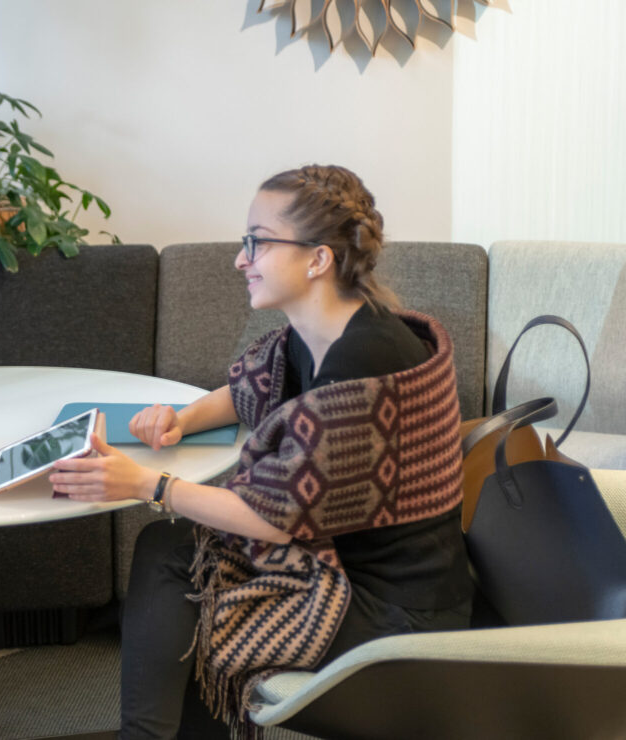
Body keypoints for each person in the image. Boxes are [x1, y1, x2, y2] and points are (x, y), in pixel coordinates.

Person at [49, 165, 474, 738]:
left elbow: (270, 521)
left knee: (185, 567)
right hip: (348, 571)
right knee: (174, 554)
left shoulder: (364, 361)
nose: (240, 259)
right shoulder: (325, 330)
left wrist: (147, 485)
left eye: (257, 241)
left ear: (317, 259)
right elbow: (254, 388)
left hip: (396, 613)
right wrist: (182, 418)